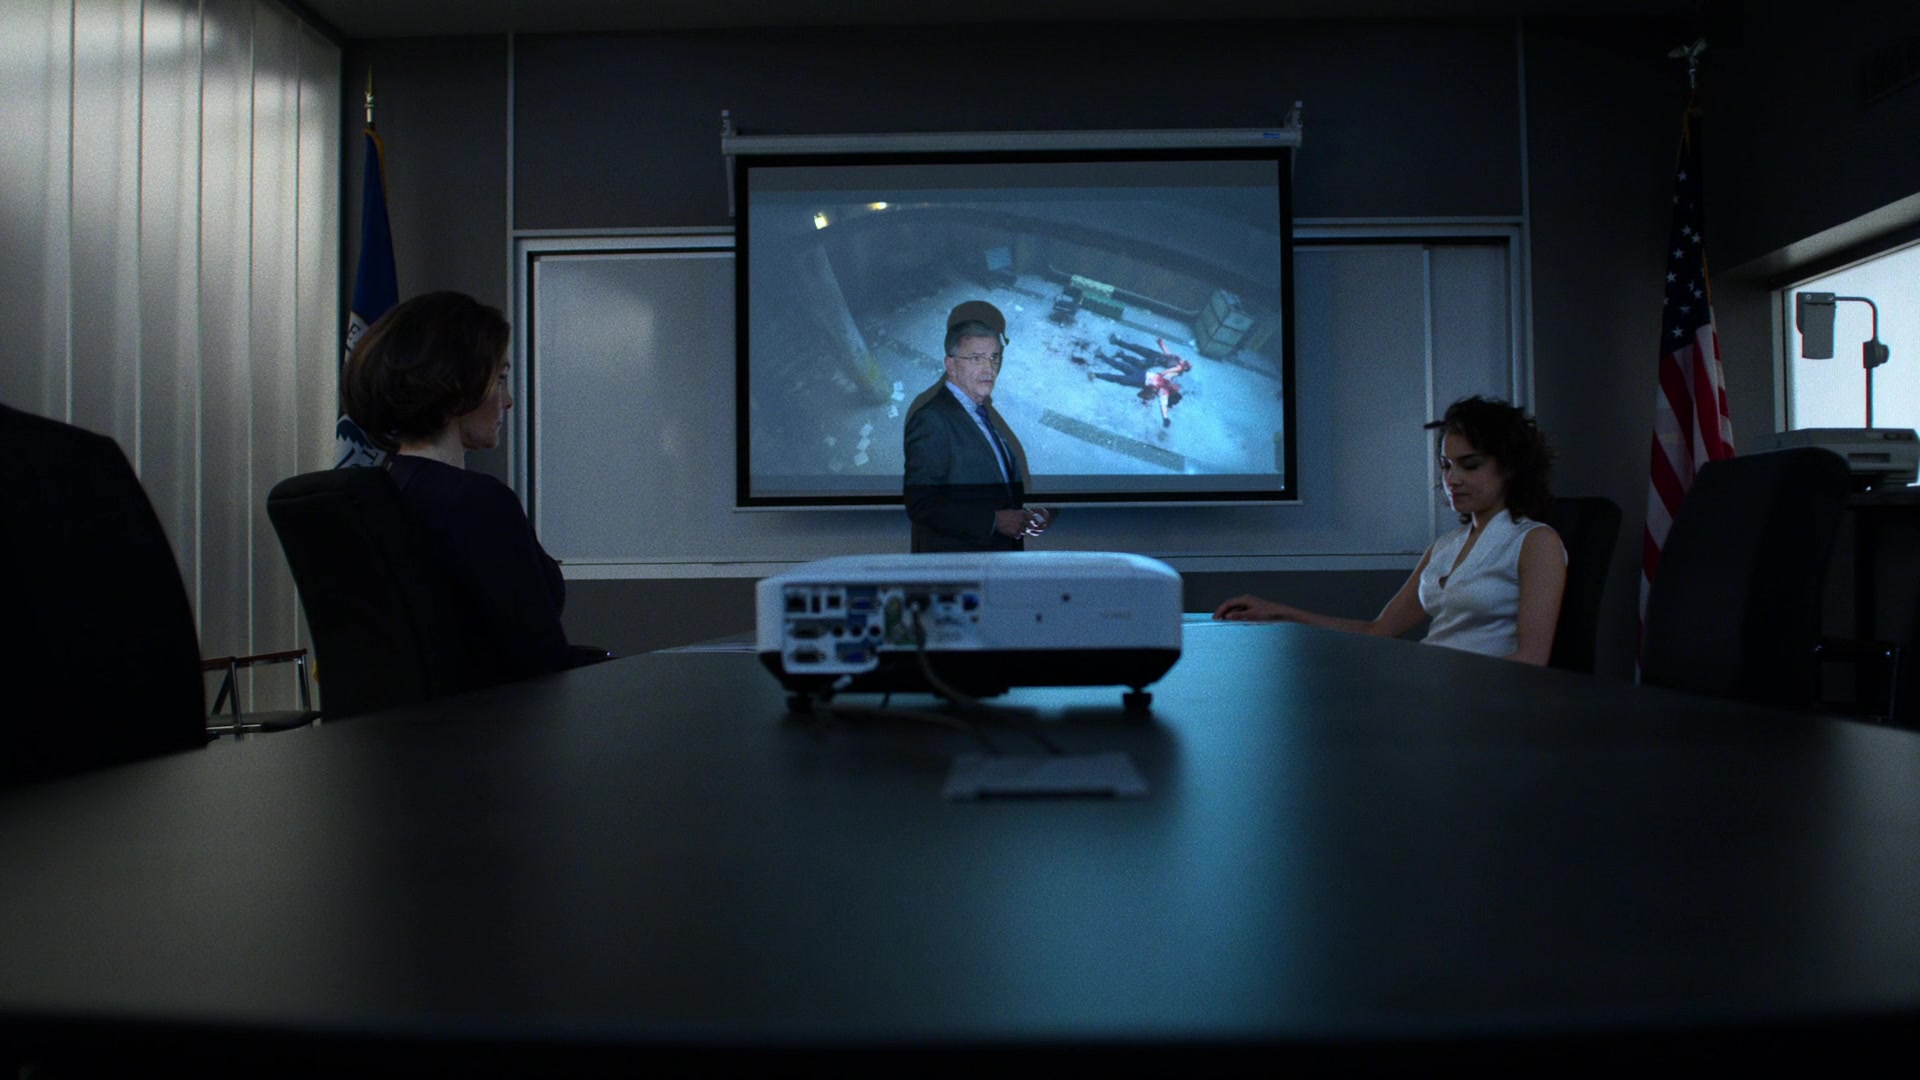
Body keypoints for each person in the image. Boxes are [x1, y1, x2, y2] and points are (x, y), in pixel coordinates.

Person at [1213, 396, 1567, 665]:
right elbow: (1379, 631)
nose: (1452, 479)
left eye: (1470, 465)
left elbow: (1531, 661)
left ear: (1510, 467)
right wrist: (1278, 613)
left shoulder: (1535, 542)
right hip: (1431, 689)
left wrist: (1444, 688)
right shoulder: (1445, 546)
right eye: (1446, 466)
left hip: (1479, 702)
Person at [341, 290, 573, 684]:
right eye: (500, 379)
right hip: (498, 719)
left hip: (412, 722)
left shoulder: (381, 493)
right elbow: (541, 660)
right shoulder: (476, 503)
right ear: (454, 387)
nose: (508, 400)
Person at [902, 300, 1054, 553]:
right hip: (957, 567)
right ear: (951, 365)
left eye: (994, 357)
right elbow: (921, 504)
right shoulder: (932, 419)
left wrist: (1023, 514)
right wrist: (994, 521)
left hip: (995, 559)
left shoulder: (981, 412)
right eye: (976, 358)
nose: (989, 368)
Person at [1095, 335, 1192, 427]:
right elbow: (1169, 370)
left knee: (1119, 378)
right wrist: (1162, 344)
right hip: (1142, 373)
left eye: (1176, 389)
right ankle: (1103, 355)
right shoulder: (1168, 379)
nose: (1176, 387)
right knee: (1121, 365)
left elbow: (1163, 405)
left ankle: (1097, 373)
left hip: (1140, 380)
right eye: (1176, 387)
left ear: (1172, 392)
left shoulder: (1164, 392)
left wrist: (1165, 418)